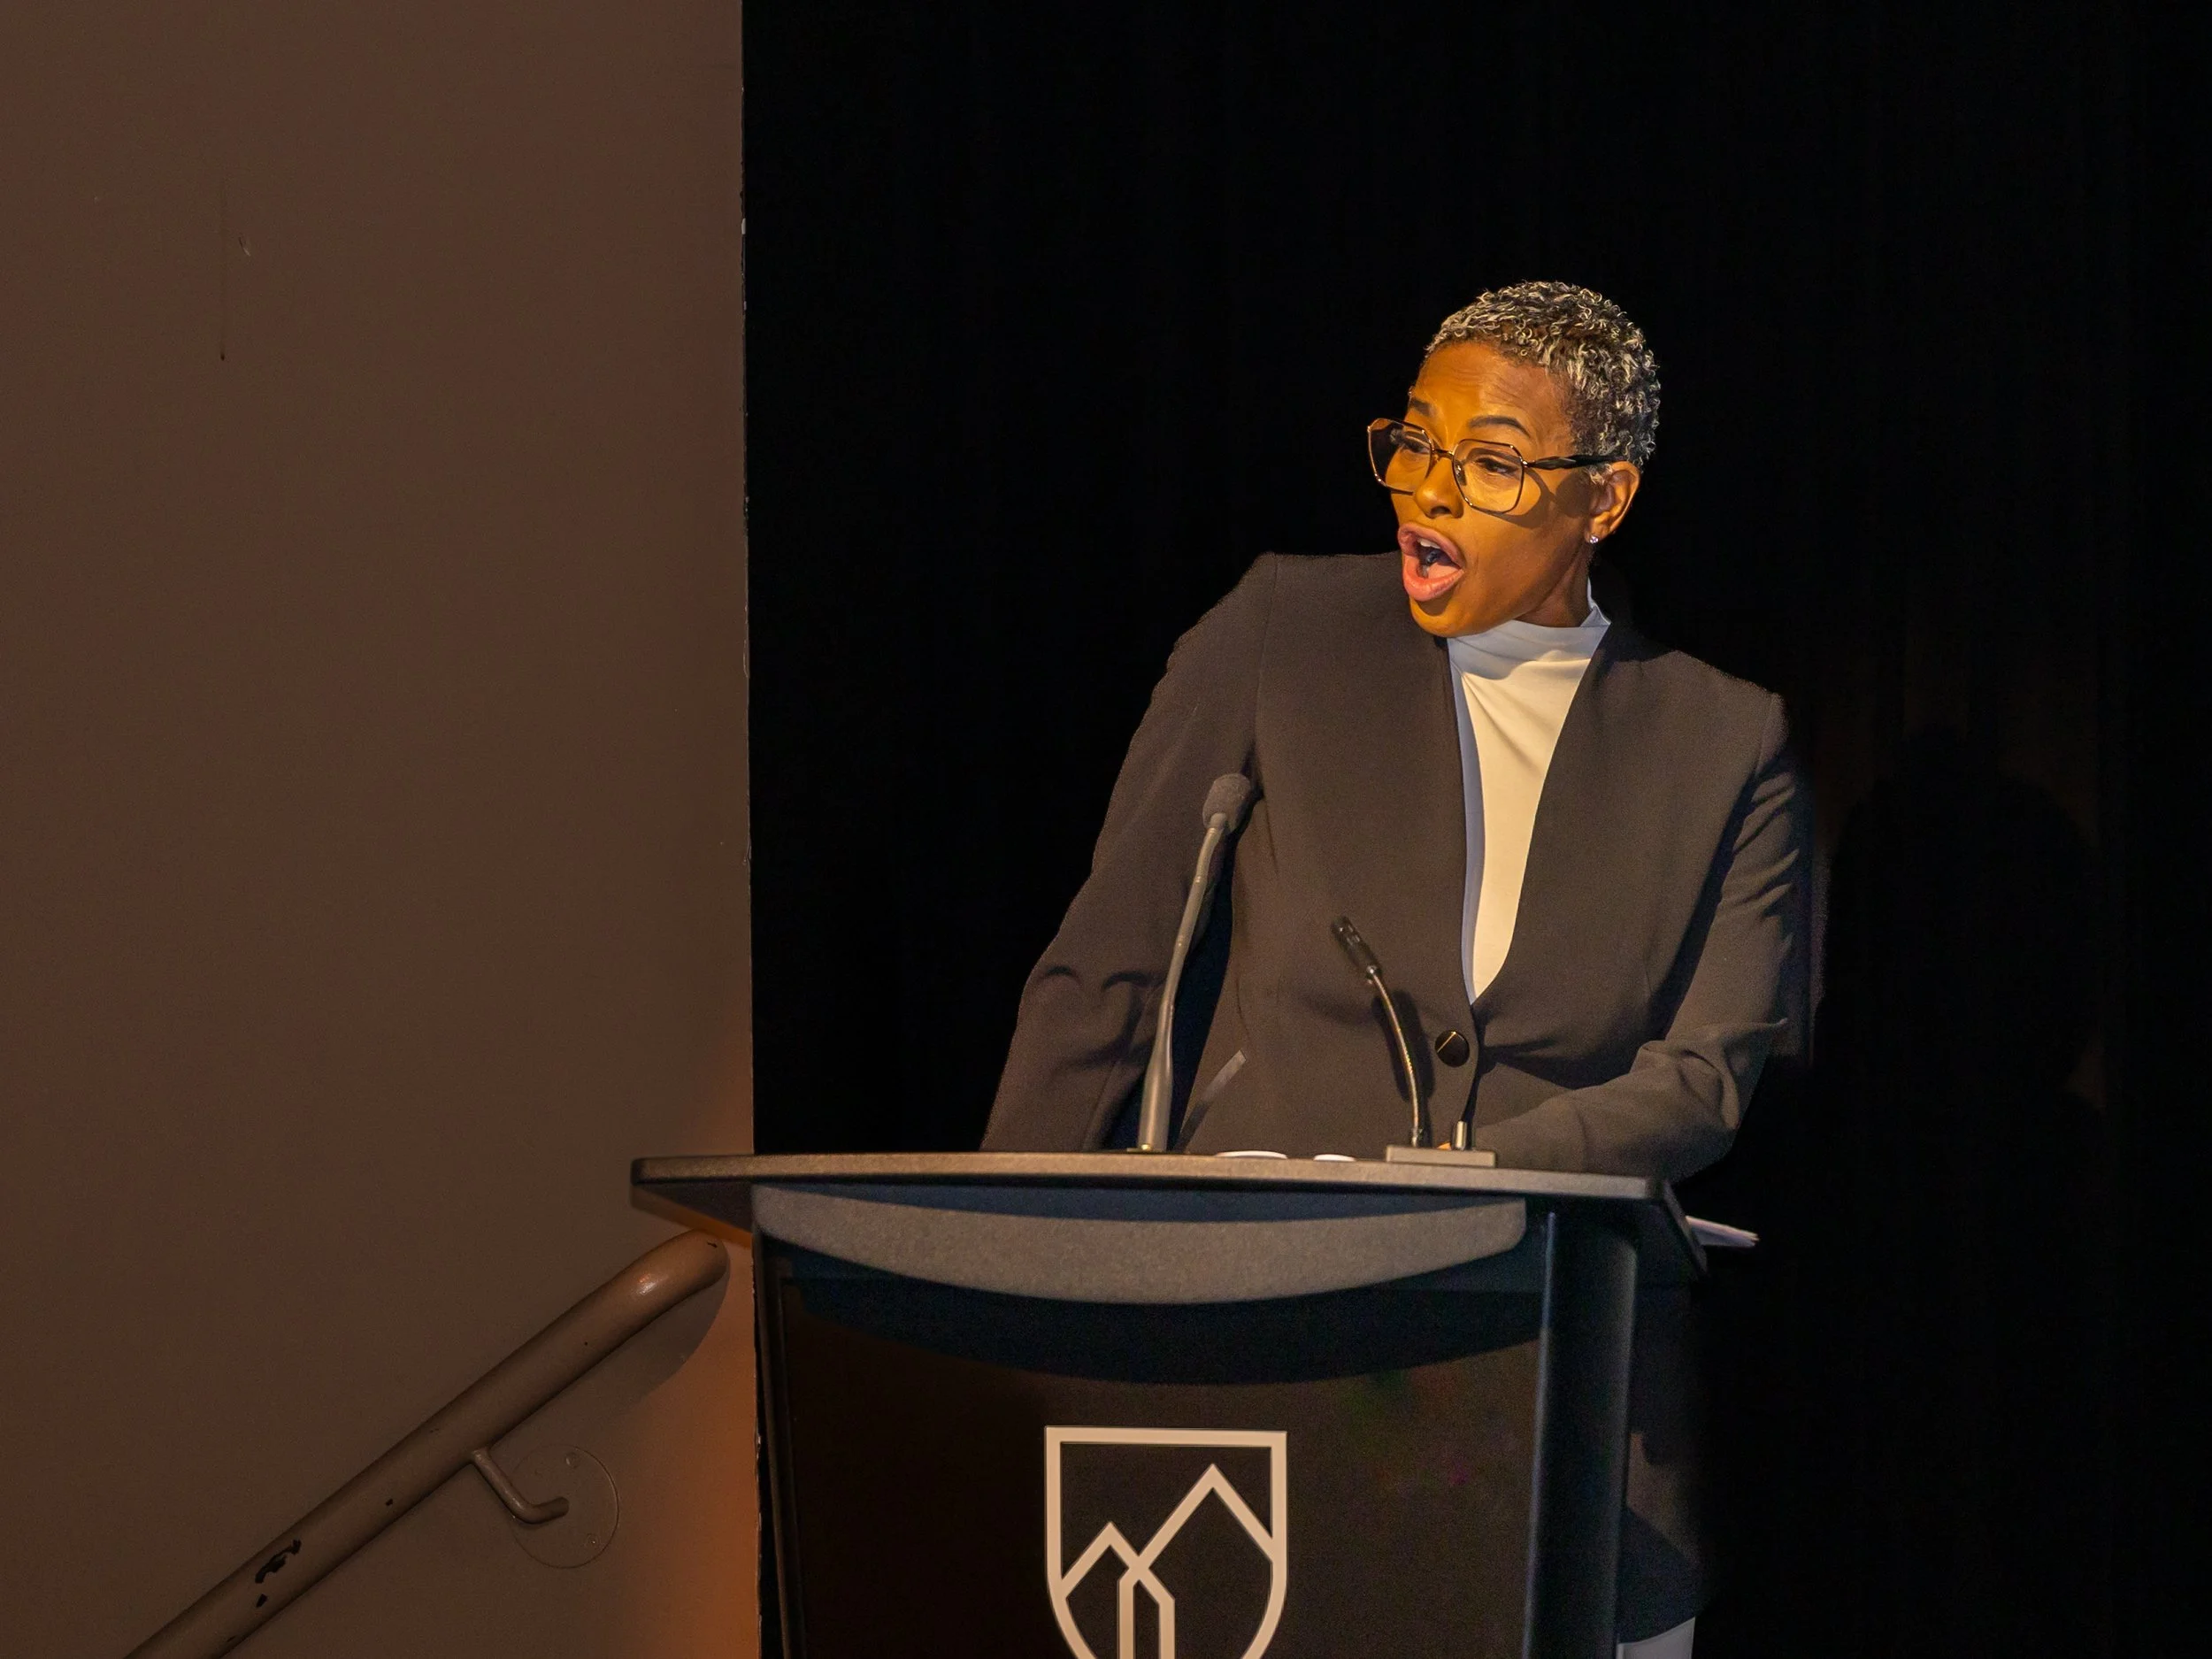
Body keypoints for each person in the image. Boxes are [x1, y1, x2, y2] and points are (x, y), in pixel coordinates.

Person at [981, 280, 1811, 1658]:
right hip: (1256, 1373)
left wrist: (1466, 1182)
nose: (1428, 491)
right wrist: (994, 1291)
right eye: (1413, 444)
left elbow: (1704, 1076)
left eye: (1488, 463)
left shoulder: (1723, 740)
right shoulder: (1281, 635)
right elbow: (1107, 972)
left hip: (1567, 1415)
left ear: (1603, 500)